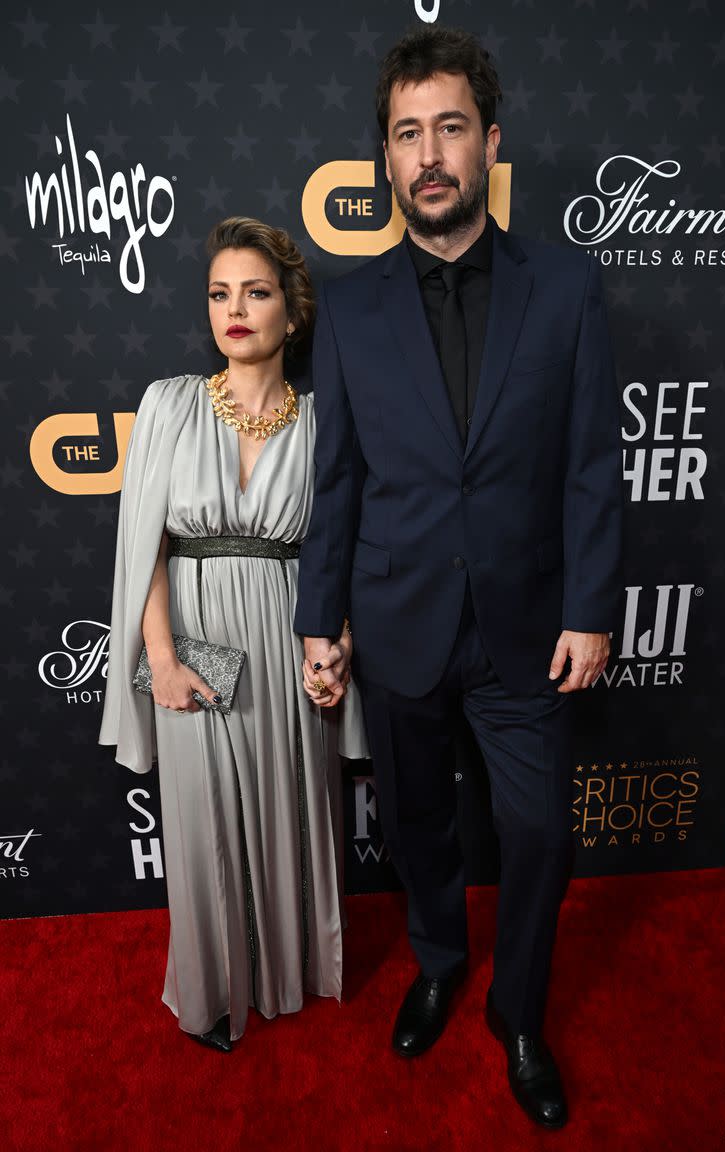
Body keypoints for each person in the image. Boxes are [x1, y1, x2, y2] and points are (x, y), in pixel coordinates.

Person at [295, 26, 622, 1128]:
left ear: (490, 142)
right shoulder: (343, 308)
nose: (427, 154)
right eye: (405, 134)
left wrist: (590, 609)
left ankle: (519, 1011)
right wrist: (317, 619)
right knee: (419, 823)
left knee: (538, 833)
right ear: (384, 161)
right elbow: (334, 478)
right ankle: (438, 959)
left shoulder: (569, 287)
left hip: (531, 625)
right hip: (394, 621)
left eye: (448, 129)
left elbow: (589, 465)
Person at [100, 217, 367, 1052]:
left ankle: (289, 975)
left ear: (293, 312)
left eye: (255, 293)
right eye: (220, 294)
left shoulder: (328, 422)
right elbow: (143, 545)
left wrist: (336, 646)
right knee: (203, 823)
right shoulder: (169, 403)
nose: (235, 310)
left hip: (292, 634)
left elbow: (348, 547)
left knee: (294, 810)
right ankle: (213, 993)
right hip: (192, 631)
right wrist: (164, 660)